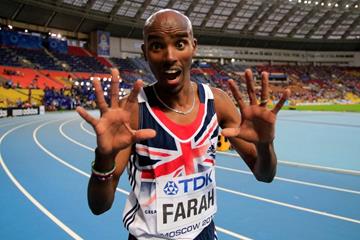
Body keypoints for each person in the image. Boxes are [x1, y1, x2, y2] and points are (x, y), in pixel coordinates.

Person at [76, 9, 290, 240]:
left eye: (180, 44)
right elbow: (99, 206)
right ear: (145, 52)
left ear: (193, 46)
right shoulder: (134, 113)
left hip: (205, 234)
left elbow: (265, 175)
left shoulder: (217, 103)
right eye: (157, 46)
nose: (169, 56)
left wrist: (266, 145)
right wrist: (103, 158)